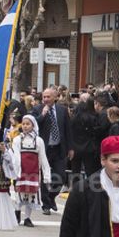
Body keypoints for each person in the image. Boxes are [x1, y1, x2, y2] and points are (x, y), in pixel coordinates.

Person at [31, 87, 71, 215]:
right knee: (45, 177)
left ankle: (52, 197)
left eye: (48, 97)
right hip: (45, 150)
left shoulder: (62, 110)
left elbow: (68, 129)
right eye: (44, 97)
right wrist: (42, 114)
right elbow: (34, 124)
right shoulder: (38, 109)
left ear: (55, 97)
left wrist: (70, 148)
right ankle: (46, 204)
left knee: (61, 176)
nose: (46, 99)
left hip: (59, 148)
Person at [10, 114, 49, 227]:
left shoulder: (39, 141)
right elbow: (15, 156)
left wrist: (46, 174)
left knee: (31, 194)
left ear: (33, 125)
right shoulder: (17, 139)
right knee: (19, 193)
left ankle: (27, 218)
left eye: (28, 124)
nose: (25, 126)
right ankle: (17, 212)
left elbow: (43, 157)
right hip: (21, 171)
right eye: (24, 124)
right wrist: (16, 171)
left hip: (34, 171)